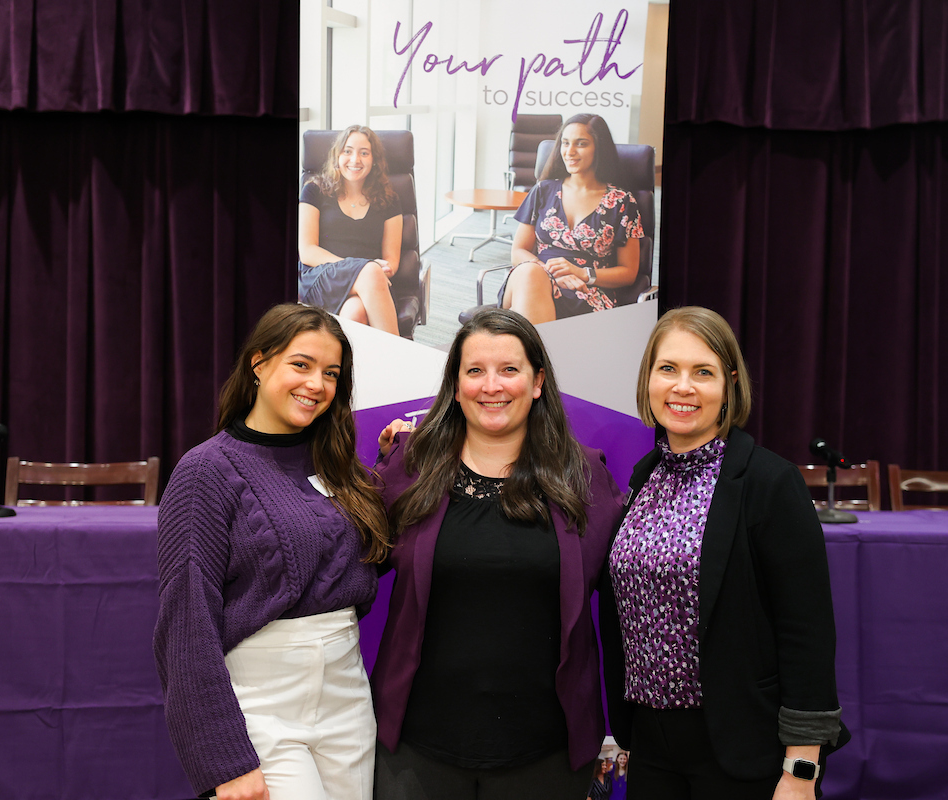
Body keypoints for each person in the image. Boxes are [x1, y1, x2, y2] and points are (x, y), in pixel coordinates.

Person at [370, 308, 625, 800]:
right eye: (475, 371)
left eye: (509, 369)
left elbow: (624, 607)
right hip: (416, 753)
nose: (492, 385)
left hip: (546, 755)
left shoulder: (586, 478)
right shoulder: (409, 466)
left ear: (537, 382)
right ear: (456, 383)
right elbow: (347, 573)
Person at [600, 306, 849, 799]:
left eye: (703, 372)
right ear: (648, 378)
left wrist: (801, 771)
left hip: (742, 751)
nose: (683, 387)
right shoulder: (643, 476)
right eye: (667, 368)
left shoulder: (769, 482)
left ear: (729, 385)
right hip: (649, 749)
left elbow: (807, 634)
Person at [153, 304, 390, 800]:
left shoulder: (340, 466)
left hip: (347, 693)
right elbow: (185, 620)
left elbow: (372, 557)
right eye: (301, 365)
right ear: (259, 364)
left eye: (331, 374)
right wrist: (222, 760)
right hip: (258, 702)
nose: (316, 385)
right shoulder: (205, 471)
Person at [501, 113, 644, 324]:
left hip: (587, 290)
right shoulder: (542, 190)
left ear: (599, 148)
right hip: (534, 279)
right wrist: (551, 273)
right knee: (530, 274)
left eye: (581, 144)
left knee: (527, 302)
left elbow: (628, 273)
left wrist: (582, 273)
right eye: (565, 143)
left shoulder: (622, 201)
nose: (570, 152)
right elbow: (518, 251)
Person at [298, 124, 403, 335]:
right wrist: (360, 268)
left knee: (354, 314)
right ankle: (400, 362)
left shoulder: (389, 200)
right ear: (337, 156)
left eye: (364, 153)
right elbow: (307, 251)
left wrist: (379, 270)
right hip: (321, 276)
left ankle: (346, 367)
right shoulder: (314, 190)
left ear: (374, 161)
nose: (355, 160)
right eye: (347, 151)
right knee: (371, 271)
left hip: (368, 286)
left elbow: (392, 260)